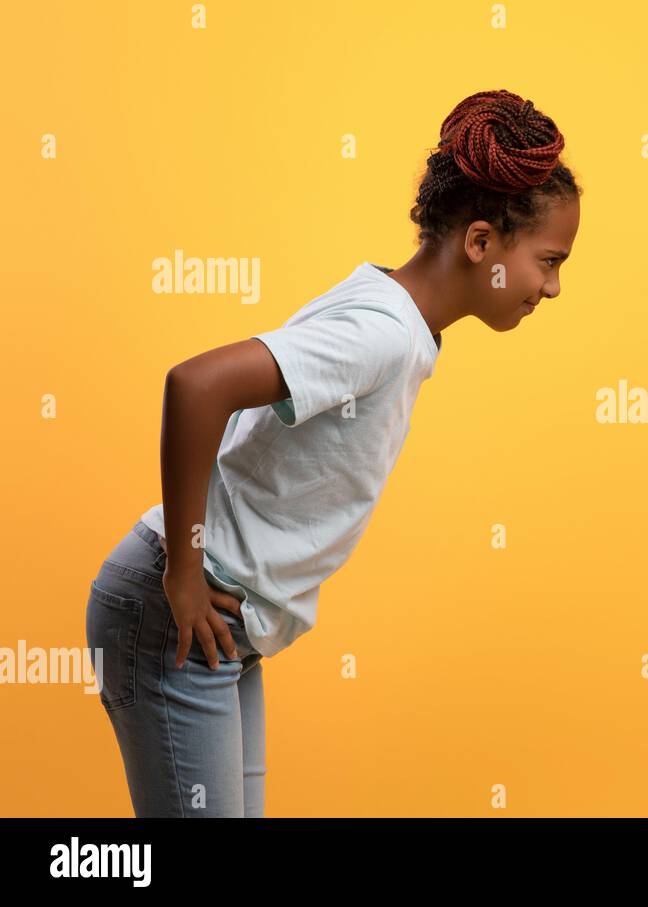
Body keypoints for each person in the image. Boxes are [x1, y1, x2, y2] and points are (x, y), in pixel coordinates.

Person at [85, 89, 581, 817]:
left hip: (224, 628)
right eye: (549, 261)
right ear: (481, 243)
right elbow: (195, 387)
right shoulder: (382, 333)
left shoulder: (397, 319)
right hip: (176, 613)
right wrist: (183, 572)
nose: (555, 287)